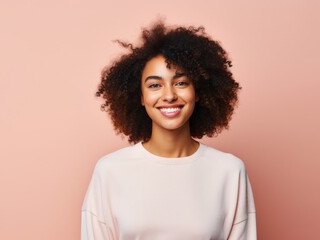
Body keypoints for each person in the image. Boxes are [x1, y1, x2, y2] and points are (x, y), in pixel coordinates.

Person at [81, 20, 256, 240]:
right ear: (141, 97)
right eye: (155, 85)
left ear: (198, 91)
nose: (170, 95)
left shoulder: (230, 171)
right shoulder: (109, 171)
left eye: (181, 83)